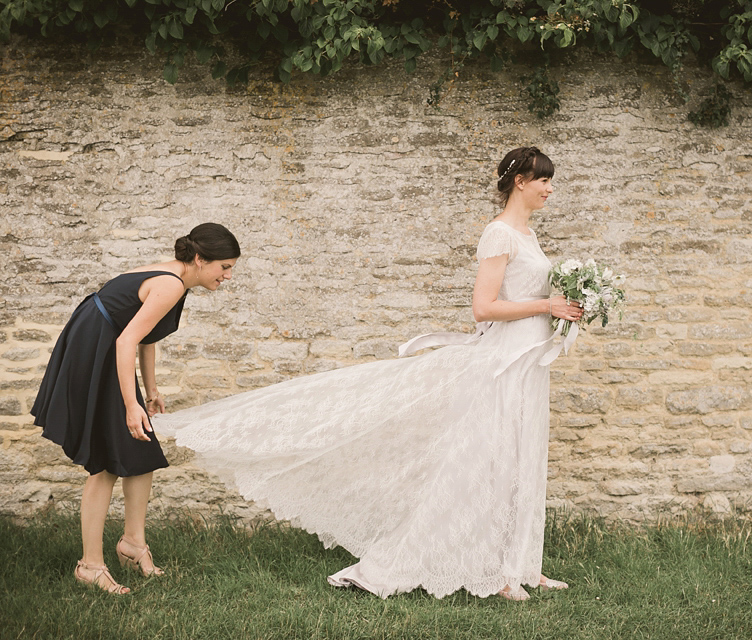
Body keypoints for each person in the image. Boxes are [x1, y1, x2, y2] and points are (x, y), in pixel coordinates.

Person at [155, 147, 582, 600]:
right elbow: (484, 306)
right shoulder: (499, 234)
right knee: (494, 463)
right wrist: (546, 305)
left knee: (525, 456)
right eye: (544, 181)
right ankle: (489, 574)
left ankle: (522, 565)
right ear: (521, 182)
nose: (550, 189)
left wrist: (567, 310)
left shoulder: (529, 235)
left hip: (528, 363)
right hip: (501, 365)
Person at [32, 223, 241, 595]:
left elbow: (144, 336)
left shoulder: (176, 279)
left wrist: (151, 391)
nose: (227, 275)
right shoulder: (171, 284)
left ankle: (132, 543)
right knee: (105, 459)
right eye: (223, 267)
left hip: (100, 344)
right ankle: (90, 565)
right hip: (95, 350)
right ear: (198, 259)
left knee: (141, 444)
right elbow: (126, 339)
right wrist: (131, 404)